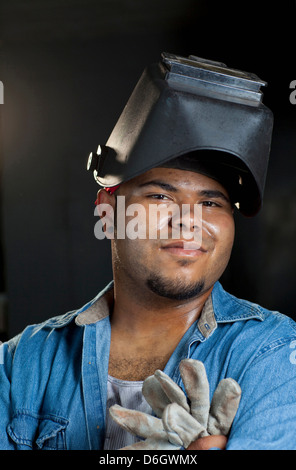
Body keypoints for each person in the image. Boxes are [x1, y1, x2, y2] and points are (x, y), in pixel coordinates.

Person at [1, 53, 296, 450]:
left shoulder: (274, 354)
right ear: (108, 213)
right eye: (160, 195)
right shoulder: (21, 364)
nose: (189, 220)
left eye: (212, 203)